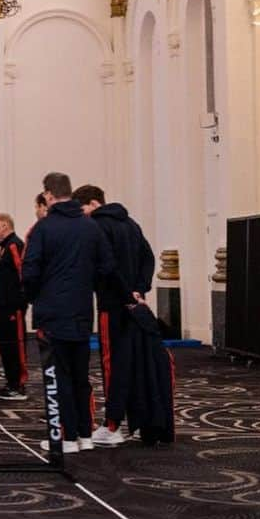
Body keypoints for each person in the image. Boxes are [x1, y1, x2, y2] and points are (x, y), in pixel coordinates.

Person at [22, 172, 115, 454]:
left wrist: (32, 298)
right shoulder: (91, 227)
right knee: (80, 375)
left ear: (49, 195)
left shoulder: (44, 228)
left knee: (57, 377)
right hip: (82, 311)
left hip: (52, 313)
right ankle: (84, 435)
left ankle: (65, 437)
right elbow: (107, 267)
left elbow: (30, 271)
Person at [74, 184, 156, 447]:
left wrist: (124, 295)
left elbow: (107, 267)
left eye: (83, 209)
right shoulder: (131, 223)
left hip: (112, 305)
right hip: (132, 304)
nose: (82, 215)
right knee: (131, 363)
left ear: (94, 204)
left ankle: (112, 425)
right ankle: (136, 422)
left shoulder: (97, 226)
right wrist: (139, 290)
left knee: (112, 366)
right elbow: (148, 257)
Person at [0, 212, 28, 402]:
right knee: (6, 347)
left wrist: (19, 303)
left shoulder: (14, 245)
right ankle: (11, 382)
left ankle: (19, 385)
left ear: (5, 226)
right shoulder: (3, 247)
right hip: (3, 307)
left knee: (16, 346)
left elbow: (23, 274)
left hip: (14, 308)